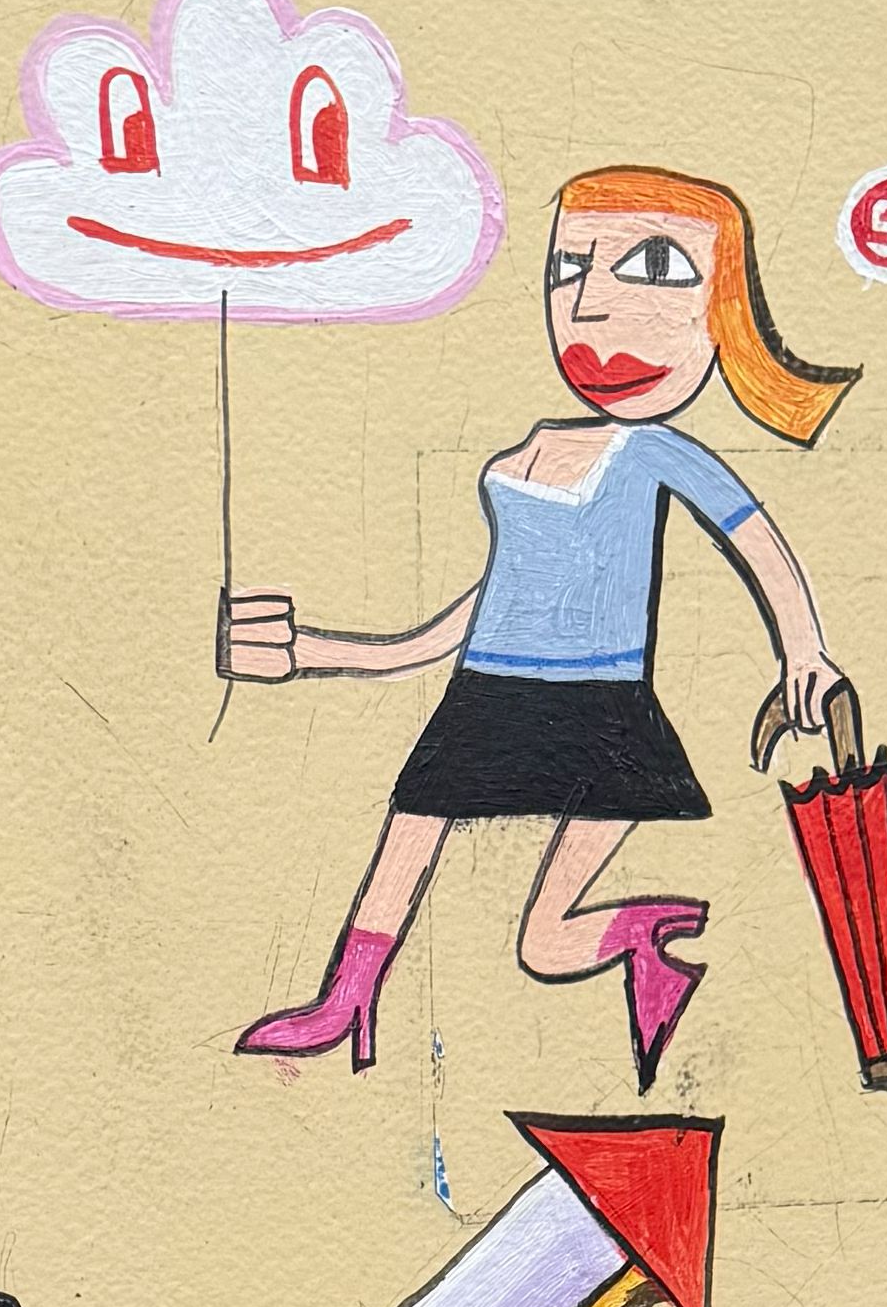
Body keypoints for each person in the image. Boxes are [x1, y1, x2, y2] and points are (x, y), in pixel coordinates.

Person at [225, 168, 850, 1088]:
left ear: (720, 315)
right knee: (410, 832)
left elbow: (756, 542)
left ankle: (638, 936)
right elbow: (472, 615)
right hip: (487, 694)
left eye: (653, 267)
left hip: (602, 710)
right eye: (569, 268)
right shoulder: (524, 454)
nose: (591, 304)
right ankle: (347, 1000)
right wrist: (311, 653)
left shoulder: (657, 450)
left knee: (545, 944)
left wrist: (805, 652)